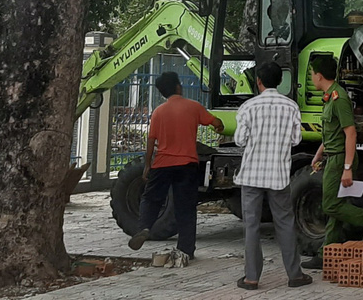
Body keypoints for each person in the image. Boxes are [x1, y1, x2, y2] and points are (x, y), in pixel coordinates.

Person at [301, 56, 363, 269]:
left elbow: (350, 134)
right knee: (337, 208)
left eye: (312, 73)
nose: (311, 77)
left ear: (318, 75)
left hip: (340, 159)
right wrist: (318, 153)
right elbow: (332, 132)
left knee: (331, 205)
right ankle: (325, 254)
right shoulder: (329, 97)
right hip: (332, 155)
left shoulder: (339, 99)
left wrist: (347, 168)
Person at [128, 72, 224, 261]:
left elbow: (150, 141)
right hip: (187, 164)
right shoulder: (193, 107)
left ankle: (144, 227)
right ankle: (186, 249)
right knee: (186, 207)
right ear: (179, 87)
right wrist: (218, 127)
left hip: (163, 164)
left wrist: (148, 165)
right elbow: (215, 122)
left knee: (151, 198)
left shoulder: (158, 112)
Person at [233, 62, 313, 290]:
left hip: (251, 175)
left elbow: (239, 140)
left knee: (251, 226)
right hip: (278, 175)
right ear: (280, 81)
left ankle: (251, 278)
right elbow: (296, 140)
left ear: (259, 81)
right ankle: (295, 275)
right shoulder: (291, 107)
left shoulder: (248, 107)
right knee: (285, 224)